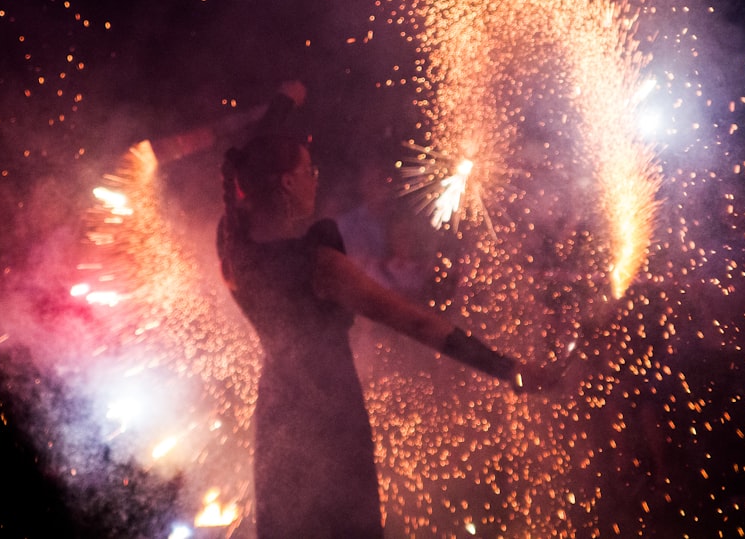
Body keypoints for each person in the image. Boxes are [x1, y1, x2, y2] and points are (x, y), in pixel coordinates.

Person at [216, 133, 560, 538]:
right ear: (287, 182)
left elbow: (246, 163)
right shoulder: (318, 264)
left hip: (277, 410)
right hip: (329, 414)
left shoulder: (236, 252)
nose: (316, 178)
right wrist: (508, 369)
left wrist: (281, 105)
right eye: (308, 170)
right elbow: (415, 322)